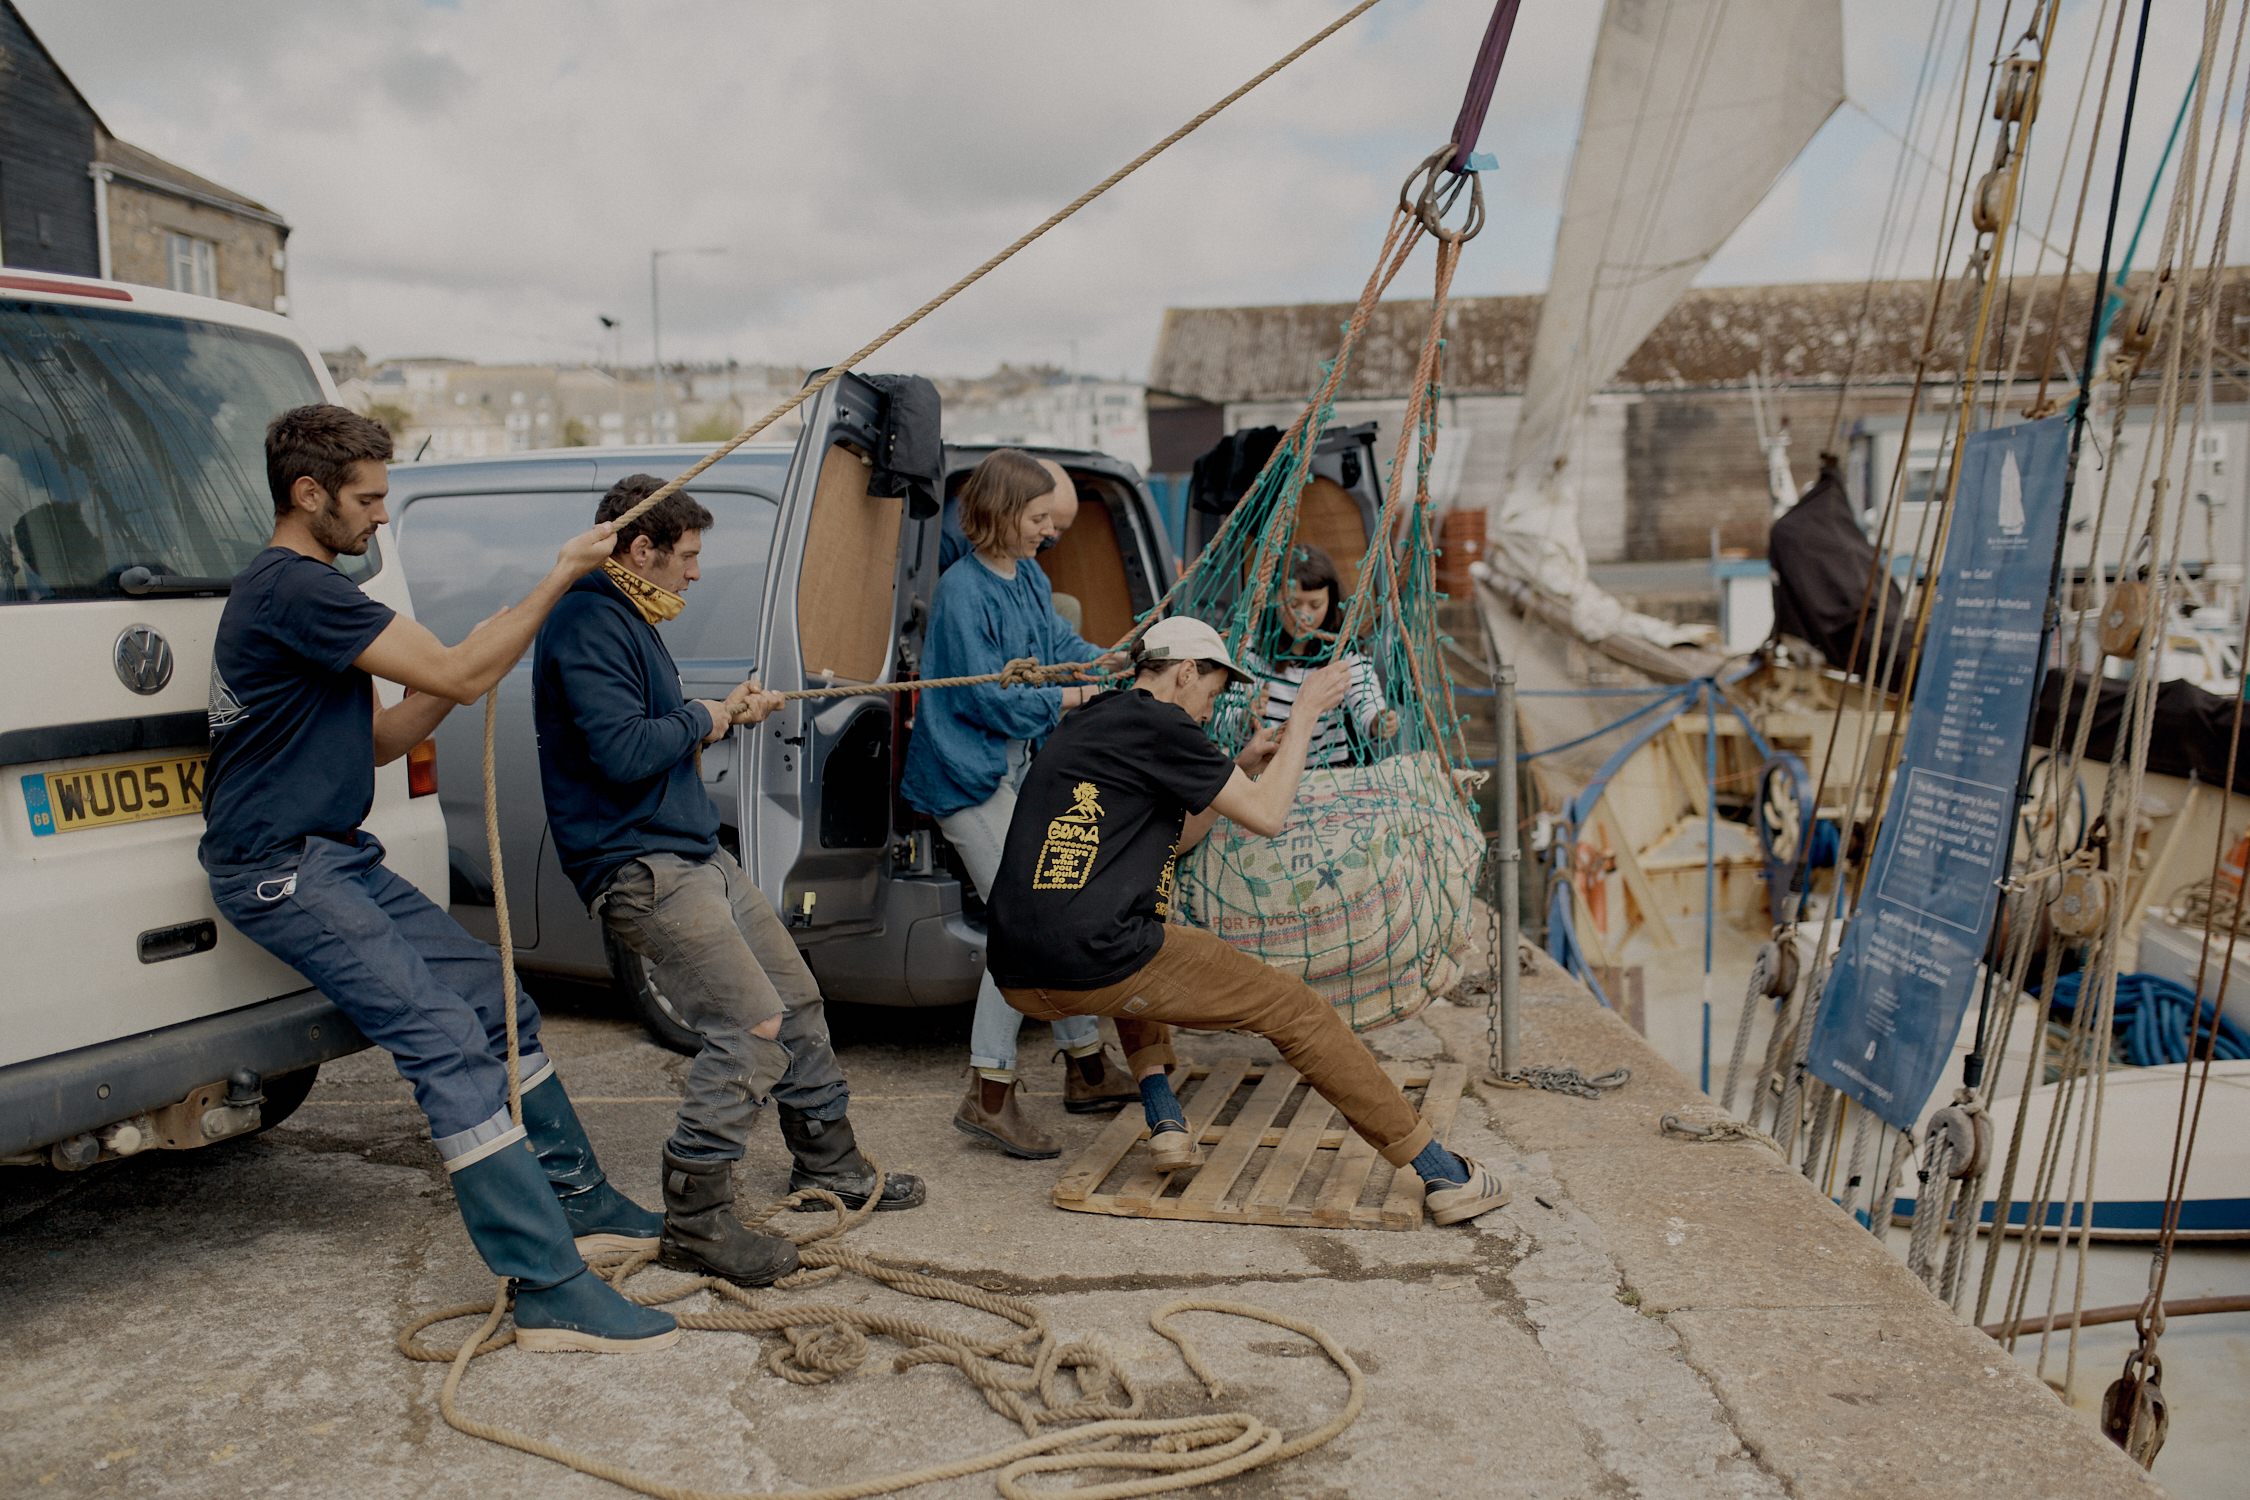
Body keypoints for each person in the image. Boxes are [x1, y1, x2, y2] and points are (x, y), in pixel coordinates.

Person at [201, 405, 677, 1354]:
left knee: (500, 1005)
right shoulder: (295, 589)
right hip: (281, 868)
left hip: (331, 852)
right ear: (309, 496)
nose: (381, 518)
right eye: (369, 499)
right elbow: (455, 677)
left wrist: (486, 648)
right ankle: (547, 1289)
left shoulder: (309, 597)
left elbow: (381, 736)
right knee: (443, 1040)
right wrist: (552, 585)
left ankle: (579, 1204)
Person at [986, 615, 1511, 1226]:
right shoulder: (1165, 724)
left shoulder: (1096, 720)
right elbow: (1267, 818)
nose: (1210, 708)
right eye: (1211, 691)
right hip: (1092, 956)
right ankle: (1441, 1173)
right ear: (1186, 672)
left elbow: (1175, 840)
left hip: (1018, 971)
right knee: (1295, 1008)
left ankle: (1163, 1115)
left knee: (1153, 943)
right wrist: (1308, 712)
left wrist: (1242, 769)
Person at [533, 474, 926, 1289]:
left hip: (693, 854)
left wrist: (722, 712)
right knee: (750, 1026)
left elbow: (648, 739)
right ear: (641, 549)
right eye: (688, 556)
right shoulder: (586, 620)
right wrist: (710, 716)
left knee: (797, 998)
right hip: (642, 867)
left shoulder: (629, 617)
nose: (697, 573)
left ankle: (830, 1165)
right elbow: (622, 752)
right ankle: (697, 1220)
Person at [901, 450, 1138, 1161]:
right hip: (965, 778)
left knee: (1051, 910)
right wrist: (1071, 696)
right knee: (1026, 923)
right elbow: (982, 698)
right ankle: (990, 1091)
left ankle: (1087, 1065)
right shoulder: (961, 591)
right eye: (1039, 518)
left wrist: (1110, 659)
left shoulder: (1028, 576)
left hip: (1014, 769)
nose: (1048, 532)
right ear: (1003, 514)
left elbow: (1056, 644)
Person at [1237, 543, 1396, 768]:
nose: (1304, 616)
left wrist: (1378, 722)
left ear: (1330, 602)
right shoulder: (1253, 649)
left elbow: (1366, 701)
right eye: (1293, 604)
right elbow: (1224, 720)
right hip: (1268, 771)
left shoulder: (1343, 652)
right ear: (1274, 598)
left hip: (1328, 773)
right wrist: (1245, 717)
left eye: (1315, 604)